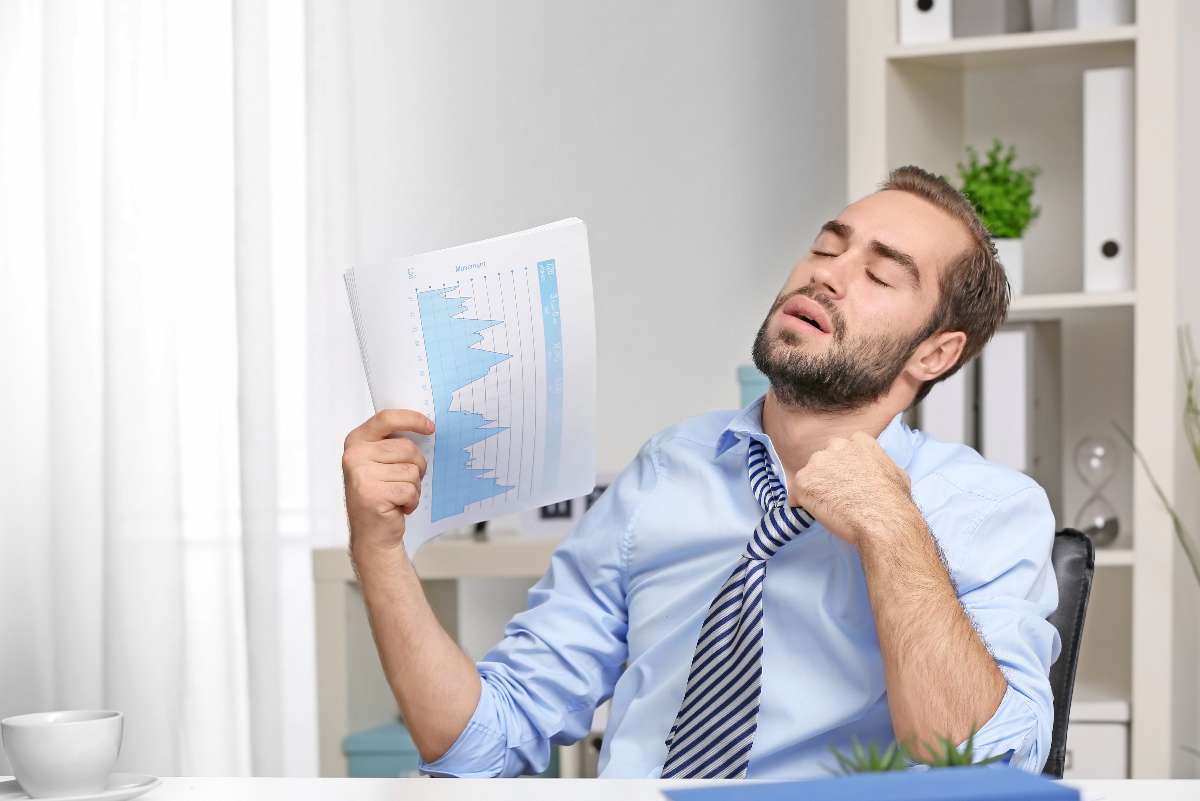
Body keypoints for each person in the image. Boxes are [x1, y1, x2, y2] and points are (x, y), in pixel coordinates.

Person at [340, 166, 1061, 779]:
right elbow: (479, 744)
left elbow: (983, 766)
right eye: (825, 247)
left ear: (935, 354)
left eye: (878, 274)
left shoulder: (988, 509)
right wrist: (379, 549)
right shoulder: (668, 470)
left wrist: (891, 526)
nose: (828, 274)